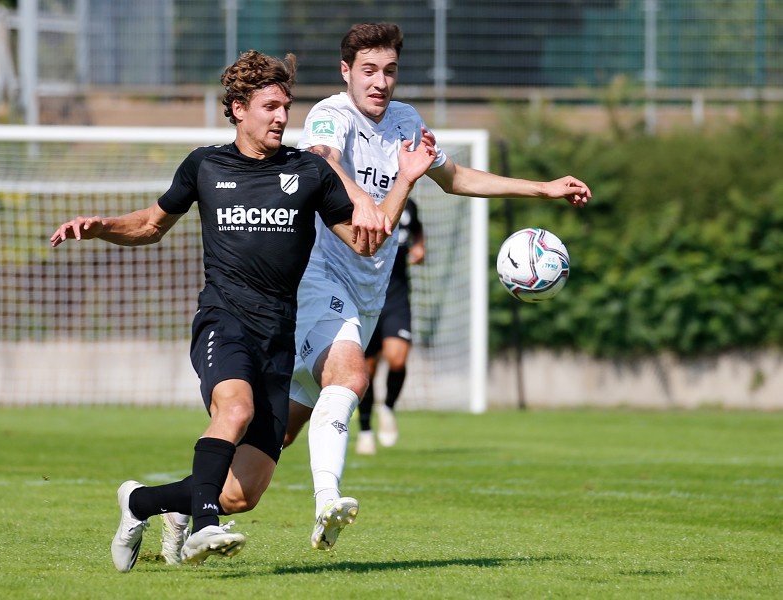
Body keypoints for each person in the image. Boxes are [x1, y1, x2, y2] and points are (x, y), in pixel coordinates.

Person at [50, 50, 437, 572]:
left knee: (240, 494)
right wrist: (101, 227)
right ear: (237, 108)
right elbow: (148, 225)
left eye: (287, 106)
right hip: (224, 321)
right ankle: (203, 528)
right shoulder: (205, 165)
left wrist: (407, 180)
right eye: (270, 106)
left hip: (280, 337)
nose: (282, 117)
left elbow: (367, 244)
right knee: (234, 409)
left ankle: (140, 502)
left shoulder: (308, 172)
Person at [277, 22, 591, 552]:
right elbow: (322, 161)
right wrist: (361, 201)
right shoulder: (331, 114)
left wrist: (544, 188)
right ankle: (326, 501)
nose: (381, 82)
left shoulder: (406, 121)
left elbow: (456, 178)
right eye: (369, 70)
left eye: (390, 71)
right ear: (346, 71)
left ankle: (172, 500)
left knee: (275, 436)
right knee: (353, 375)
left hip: (370, 290)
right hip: (319, 275)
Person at [356, 196, 424, 455]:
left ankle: (387, 408)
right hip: (365, 293)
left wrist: (419, 247)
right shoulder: (362, 200)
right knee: (366, 369)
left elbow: (417, 228)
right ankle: (365, 430)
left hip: (396, 294)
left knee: (397, 359)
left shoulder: (409, 204)